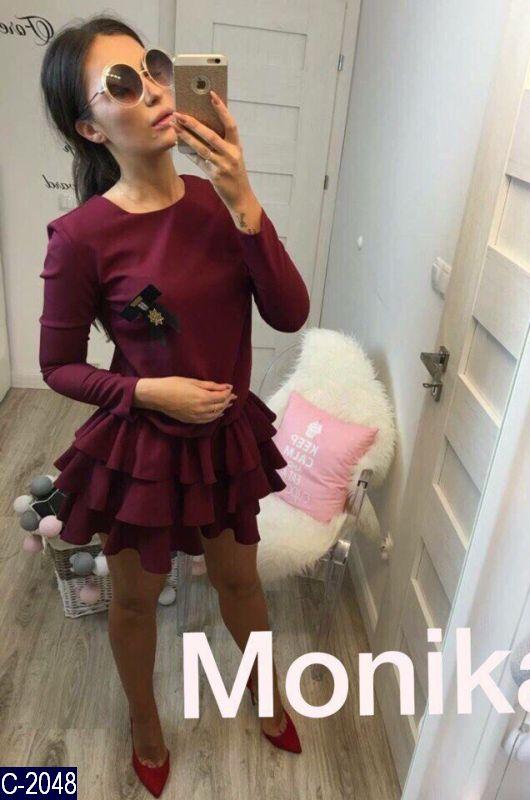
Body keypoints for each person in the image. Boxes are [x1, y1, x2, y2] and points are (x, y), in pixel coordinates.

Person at [39, 15, 310, 797]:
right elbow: (56, 366)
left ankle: (263, 690)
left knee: (240, 584)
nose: (155, 91)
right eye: (123, 84)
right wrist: (145, 391)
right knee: (133, 599)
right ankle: (144, 720)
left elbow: (289, 313)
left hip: (225, 440)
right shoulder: (81, 238)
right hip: (142, 449)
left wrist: (243, 196)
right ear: (91, 127)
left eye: (154, 69)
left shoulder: (216, 201)